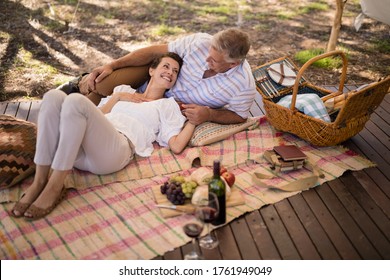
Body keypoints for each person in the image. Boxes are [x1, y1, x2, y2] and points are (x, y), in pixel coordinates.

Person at [11, 52, 195, 220]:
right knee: (52, 96)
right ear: (151, 70)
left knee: (75, 101)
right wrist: (117, 98)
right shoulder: (124, 90)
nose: (170, 72)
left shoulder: (167, 105)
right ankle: (40, 181)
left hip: (114, 151)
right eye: (166, 66)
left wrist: (195, 121)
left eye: (175, 71)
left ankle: (55, 186)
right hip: (76, 148)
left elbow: (177, 145)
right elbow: (93, 114)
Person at [59, 28, 257, 126]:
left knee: (91, 115)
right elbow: (155, 52)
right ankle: (81, 84)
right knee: (103, 83)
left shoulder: (243, 84)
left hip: (163, 105)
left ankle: (71, 114)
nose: (207, 59)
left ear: (233, 64)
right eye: (209, 52)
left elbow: (240, 116)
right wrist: (112, 65)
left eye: (214, 60)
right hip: (152, 77)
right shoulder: (199, 42)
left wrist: (210, 115)